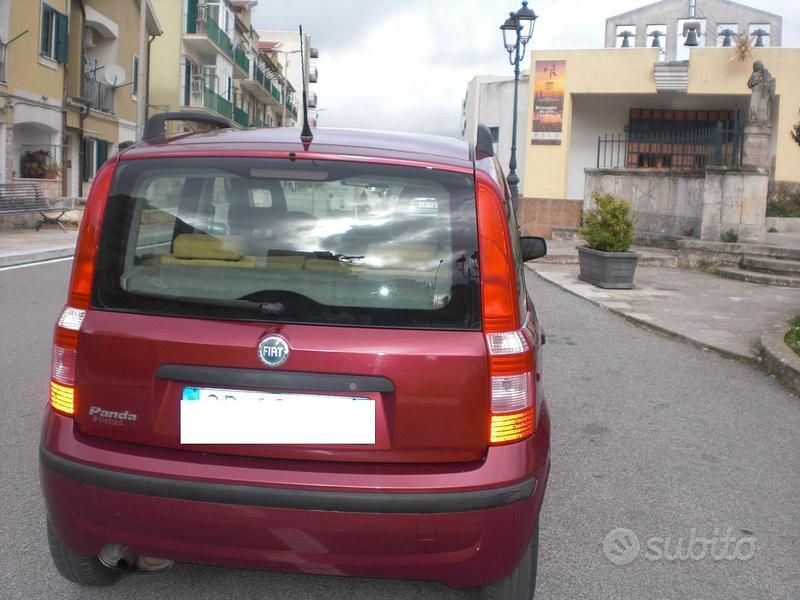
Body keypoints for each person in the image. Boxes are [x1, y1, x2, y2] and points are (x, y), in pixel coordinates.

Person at [747, 60, 775, 126]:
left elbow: (771, 82)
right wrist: (755, 82)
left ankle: (764, 121)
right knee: (753, 106)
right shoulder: (753, 74)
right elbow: (749, 84)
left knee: (763, 107)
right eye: (754, 65)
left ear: (760, 65)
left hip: (763, 94)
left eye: (756, 65)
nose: (755, 67)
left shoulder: (766, 73)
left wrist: (766, 85)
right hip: (755, 93)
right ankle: (753, 119)